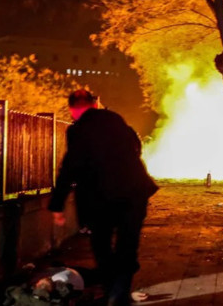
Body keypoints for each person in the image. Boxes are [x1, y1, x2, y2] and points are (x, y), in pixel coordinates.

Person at [49, 89, 158, 306]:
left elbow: (70, 166)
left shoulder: (78, 130)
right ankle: (120, 292)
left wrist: (57, 204)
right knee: (128, 245)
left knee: (102, 246)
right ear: (94, 104)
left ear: (73, 110)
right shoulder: (116, 120)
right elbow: (136, 146)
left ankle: (112, 290)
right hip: (134, 192)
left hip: (100, 198)